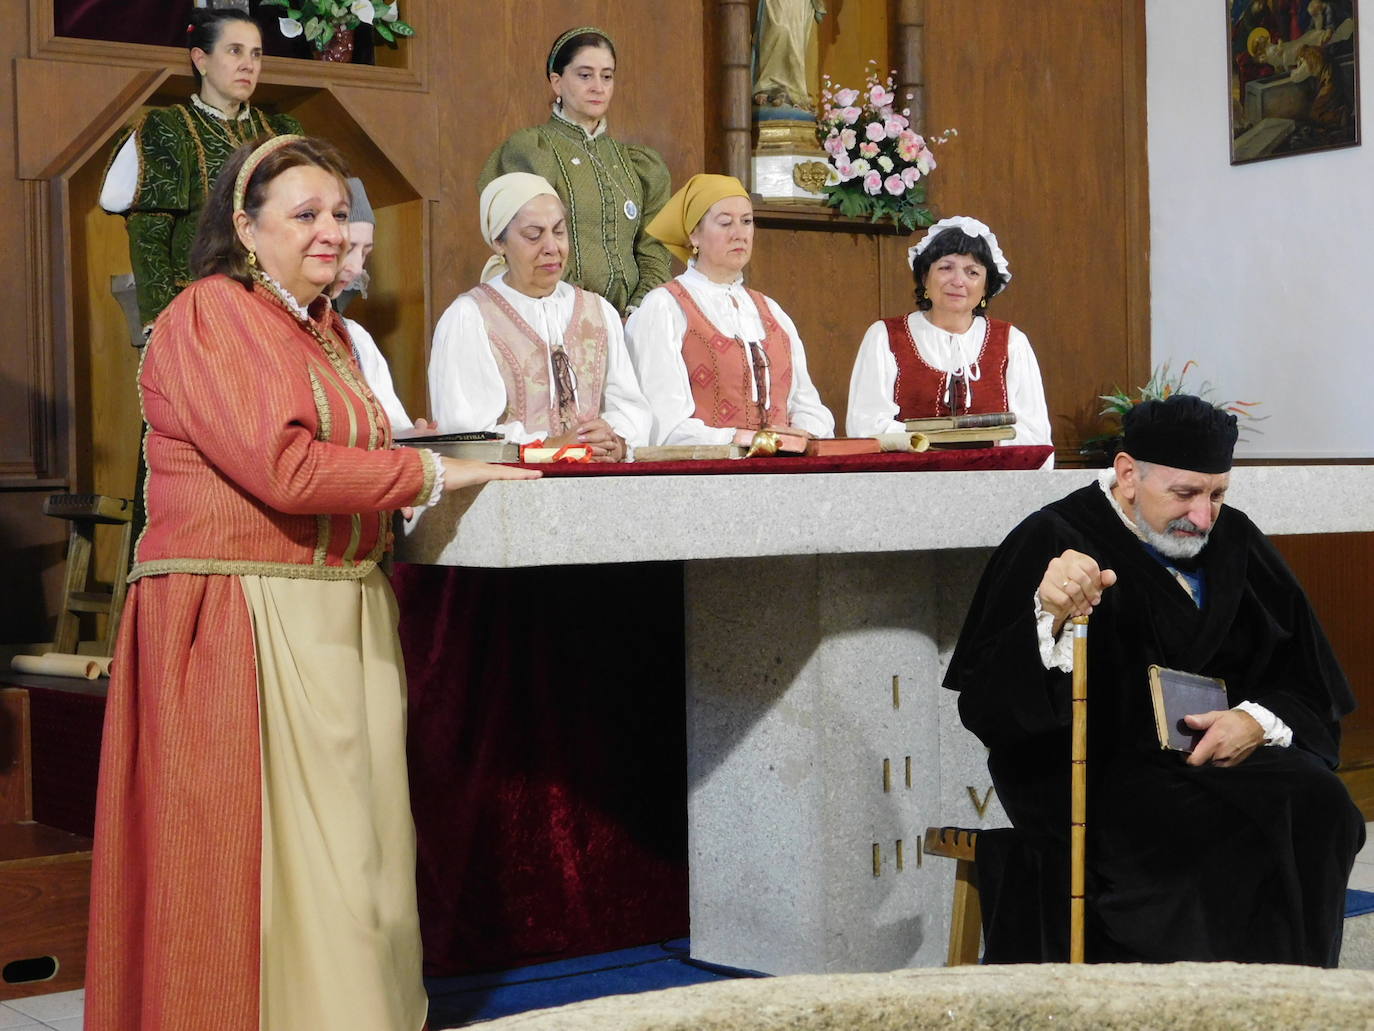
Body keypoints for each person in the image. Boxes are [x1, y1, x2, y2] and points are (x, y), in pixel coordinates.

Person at [84, 135, 539, 1031]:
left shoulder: (324, 330)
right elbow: (284, 468)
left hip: (338, 609)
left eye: (338, 213)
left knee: (356, 865)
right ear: (246, 230)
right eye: (305, 215)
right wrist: (439, 476)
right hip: (241, 618)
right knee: (263, 865)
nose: (331, 230)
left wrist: (444, 457)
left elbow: (360, 449)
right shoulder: (211, 314)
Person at [944, 393, 1363, 966]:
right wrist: (1049, 615)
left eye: (1217, 494)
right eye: (1185, 494)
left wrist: (1253, 719)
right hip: (1100, 775)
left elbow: (1307, 677)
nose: (1203, 516)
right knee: (1215, 842)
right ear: (1127, 474)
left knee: (1322, 807)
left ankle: (1287, 1006)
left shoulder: (1233, 539)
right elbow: (988, 701)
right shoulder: (1055, 536)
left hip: (1218, 759)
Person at [100, 8, 302, 333]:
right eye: (234, 51)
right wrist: (163, 323)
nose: (248, 64)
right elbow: (149, 233)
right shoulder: (171, 127)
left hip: (275, 305)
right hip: (200, 310)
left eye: (256, 54)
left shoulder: (280, 131)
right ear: (201, 59)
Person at [428, 172, 652, 461]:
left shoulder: (598, 312)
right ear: (499, 242)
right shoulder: (470, 317)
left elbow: (630, 407)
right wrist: (552, 445)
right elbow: (466, 435)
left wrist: (614, 442)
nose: (552, 247)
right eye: (533, 235)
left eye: (559, 232)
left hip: (599, 486)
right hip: (513, 494)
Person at [625, 173, 834, 445]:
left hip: (784, 473)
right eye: (725, 222)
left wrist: (806, 433)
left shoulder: (771, 310)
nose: (739, 233)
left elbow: (807, 405)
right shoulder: (664, 307)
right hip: (708, 478)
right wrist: (744, 438)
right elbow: (663, 424)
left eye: (746, 221)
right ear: (694, 235)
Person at [479, 26, 672, 317]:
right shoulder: (533, 150)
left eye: (607, 76)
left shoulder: (637, 163)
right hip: (555, 314)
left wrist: (641, 309)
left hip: (633, 324)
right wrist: (587, 314)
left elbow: (654, 246)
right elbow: (532, 241)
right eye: (585, 75)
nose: (598, 86)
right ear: (556, 83)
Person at [846, 216, 1052, 462]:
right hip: (906, 484)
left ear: (986, 287)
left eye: (972, 272)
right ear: (924, 277)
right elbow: (866, 428)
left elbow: (1036, 437)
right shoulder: (885, 336)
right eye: (946, 267)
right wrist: (944, 441)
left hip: (995, 484)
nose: (958, 281)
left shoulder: (1011, 342)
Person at [330, 176, 430, 430]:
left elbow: (391, 428)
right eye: (348, 248)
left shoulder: (356, 338)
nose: (355, 267)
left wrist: (414, 439)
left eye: (364, 253)